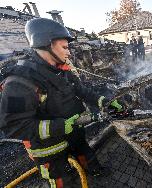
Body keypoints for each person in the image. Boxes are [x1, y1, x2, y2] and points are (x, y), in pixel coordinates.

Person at [0, 18, 123, 187]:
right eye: (65, 47)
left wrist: (104, 101)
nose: (69, 52)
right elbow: (14, 126)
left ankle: (94, 171)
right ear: (46, 44)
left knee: (86, 154)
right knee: (61, 180)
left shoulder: (61, 69)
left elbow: (81, 90)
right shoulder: (19, 81)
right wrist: (59, 127)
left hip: (74, 132)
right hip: (49, 148)